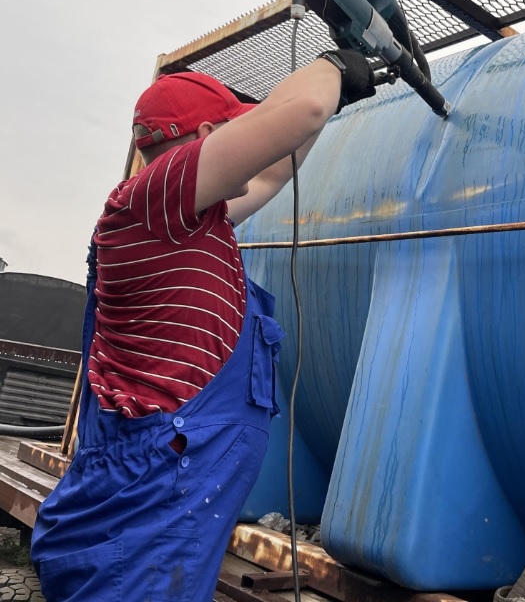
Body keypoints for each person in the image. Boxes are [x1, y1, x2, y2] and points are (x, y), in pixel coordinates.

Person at [30, 48, 375, 601]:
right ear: (210, 137)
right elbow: (305, 108)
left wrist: (334, 101)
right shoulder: (152, 196)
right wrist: (334, 62)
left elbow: (272, 170)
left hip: (161, 496)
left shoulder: (186, 221)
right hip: (143, 502)